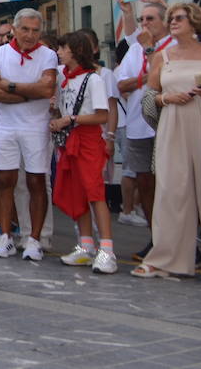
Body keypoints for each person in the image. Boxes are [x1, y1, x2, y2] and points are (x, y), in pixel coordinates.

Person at [133, 2, 201, 278]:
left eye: (179, 18)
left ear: (195, 22)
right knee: (171, 191)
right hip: (173, 126)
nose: (173, 22)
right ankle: (165, 258)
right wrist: (167, 98)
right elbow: (148, 98)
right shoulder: (162, 57)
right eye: (171, 18)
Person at [0, 8, 58, 261]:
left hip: (36, 127)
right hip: (7, 127)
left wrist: (11, 86)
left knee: (37, 182)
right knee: (6, 181)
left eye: (35, 30)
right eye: (25, 29)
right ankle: (6, 237)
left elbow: (48, 88)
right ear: (14, 29)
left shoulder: (48, 55)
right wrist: (30, 93)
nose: (30, 35)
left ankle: (35, 239)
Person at [49, 32, 117, 274]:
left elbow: (102, 115)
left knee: (95, 192)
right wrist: (57, 115)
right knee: (77, 193)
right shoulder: (64, 79)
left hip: (87, 141)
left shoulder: (93, 79)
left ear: (75, 51)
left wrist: (71, 118)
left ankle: (107, 249)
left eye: (63, 48)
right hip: (71, 141)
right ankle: (86, 245)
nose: (59, 52)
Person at [115, 0, 168, 257]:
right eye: (141, 19)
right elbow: (120, 84)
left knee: (171, 184)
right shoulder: (135, 47)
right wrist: (146, 78)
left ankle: (186, 242)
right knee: (145, 183)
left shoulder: (174, 46)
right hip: (138, 125)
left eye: (150, 18)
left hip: (166, 126)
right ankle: (155, 238)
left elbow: (165, 81)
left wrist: (148, 70)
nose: (144, 24)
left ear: (165, 22)